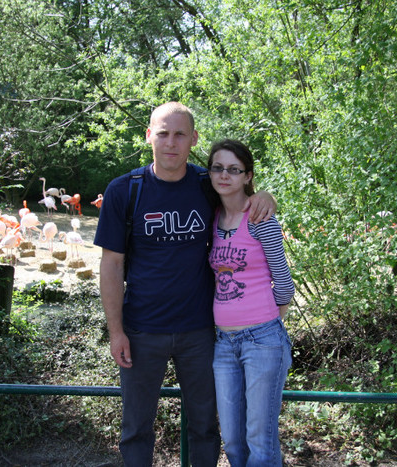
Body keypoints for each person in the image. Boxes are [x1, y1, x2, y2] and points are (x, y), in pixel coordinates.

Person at [94, 102, 276, 466]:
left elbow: (243, 198)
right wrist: (116, 332)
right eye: (163, 133)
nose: (171, 143)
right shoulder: (123, 191)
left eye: (180, 134)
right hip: (142, 330)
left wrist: (265, 196)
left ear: (193, 139)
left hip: (201, 332)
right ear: (149, 136)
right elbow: (111, 265)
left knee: (206, 427)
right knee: (135, 429)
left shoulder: (206, 185)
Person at [207, 139, 294, 467]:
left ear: (247, 176)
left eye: (233, 169)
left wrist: (269, 320)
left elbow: (284, 282)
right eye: (218, 168)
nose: (224, 175)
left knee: (261, 440)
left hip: (262, 342)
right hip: (224, 344)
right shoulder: (211, 217)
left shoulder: (260, 218)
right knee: (232, 440)